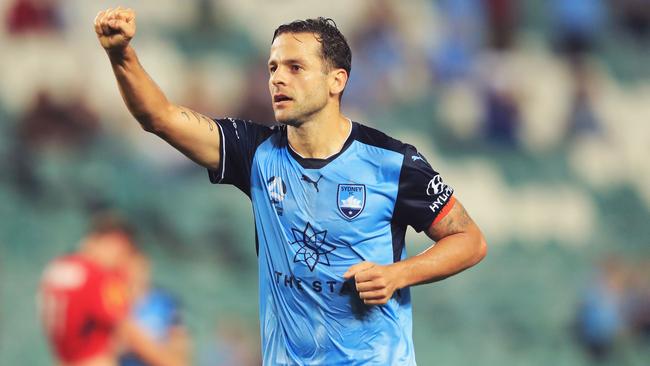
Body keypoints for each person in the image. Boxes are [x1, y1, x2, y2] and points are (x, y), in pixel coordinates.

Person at [94, 7, 488, 365]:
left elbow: (469, 240)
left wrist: (398, 275)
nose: (278, 78)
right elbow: (158, 117)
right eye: (272, 68)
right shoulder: (256, 153)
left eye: (295, 67)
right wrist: (120, 54)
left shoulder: (391, 162)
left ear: (337, 81)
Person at [38, 213, 188, 366]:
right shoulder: (96, 277)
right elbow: (131, 334)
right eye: (120, 252)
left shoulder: (56, 268)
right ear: (107, 242)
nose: (118, 261)